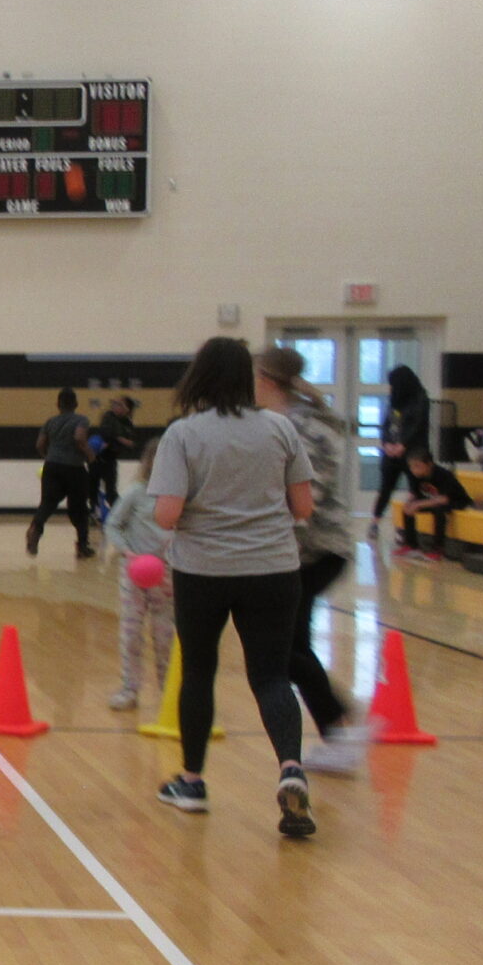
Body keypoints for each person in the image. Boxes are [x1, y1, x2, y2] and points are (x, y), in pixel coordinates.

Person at [148, 335, 317, 840]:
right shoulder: (280, 429)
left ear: (199, 376)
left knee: (199, 671)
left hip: (204, 571)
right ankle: (290, 766)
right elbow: (304, 508)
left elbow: (167, 514)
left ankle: (193, 783)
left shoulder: (183, 434)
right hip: (273, 568)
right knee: (271, 676)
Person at [256, 347, 369, 776]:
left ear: (266, 378)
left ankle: (341, 720)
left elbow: (307, 500)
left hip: (317, 551)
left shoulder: (301, 427)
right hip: (303, 552)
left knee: (285, 646)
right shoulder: (285, 422)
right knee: (290, 644)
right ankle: (337, 728)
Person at [103, 455, 172, 711]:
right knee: (131, 634)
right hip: (134, 575)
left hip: (166, 576)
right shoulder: (136, 493)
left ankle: (169, 690)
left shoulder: (180, 497)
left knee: (165, 636)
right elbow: (113, 525)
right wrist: (127, 552)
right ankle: (129, 689)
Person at [25, 387, 96, 559]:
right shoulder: (81, 420)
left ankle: (36, 527)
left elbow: (39, 444)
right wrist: (90, 455)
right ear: (76, 404)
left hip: (52, 466)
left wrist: (49, 456)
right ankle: (82, 546)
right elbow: (79, 438)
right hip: (74, 468)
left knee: (47, 503)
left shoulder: (50, 422)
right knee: (78, 508)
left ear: (58, 404)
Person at [370, 365, 430, 524]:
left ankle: (411, 529)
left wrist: (404, 444)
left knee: (415, 489)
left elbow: (418, 425)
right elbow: (386, 424)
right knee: (385, 488)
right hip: (392, 452)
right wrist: (386, 444)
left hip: (413, 452)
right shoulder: (395, 399)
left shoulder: (420, 398)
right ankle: (375, 521)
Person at [392, 452, 471, 561]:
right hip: (433, 500)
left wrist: (418, 504)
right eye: (411, 466)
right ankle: (411, 545)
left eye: (417, 466)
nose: (413, 469)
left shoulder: (443, 474)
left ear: (429, 465)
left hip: (456, 501)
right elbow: (414, 493)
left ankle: (438, 549)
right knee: (408, 509)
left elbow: (444, 499)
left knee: (439, 511)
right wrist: (408, 503)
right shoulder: (415, 475)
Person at [91, 394, 141, 513]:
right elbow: (106, 433)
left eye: (119, 404)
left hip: (110, 460)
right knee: (92, 489)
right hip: (96, 457)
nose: (114, 406)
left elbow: (131, 444)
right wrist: (120, 439)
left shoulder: (128, 424)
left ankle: (122, 514)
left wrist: (118, 440)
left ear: (127, 409)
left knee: (111, 492)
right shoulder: (108, 416)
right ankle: (94, 514)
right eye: (114, 403)